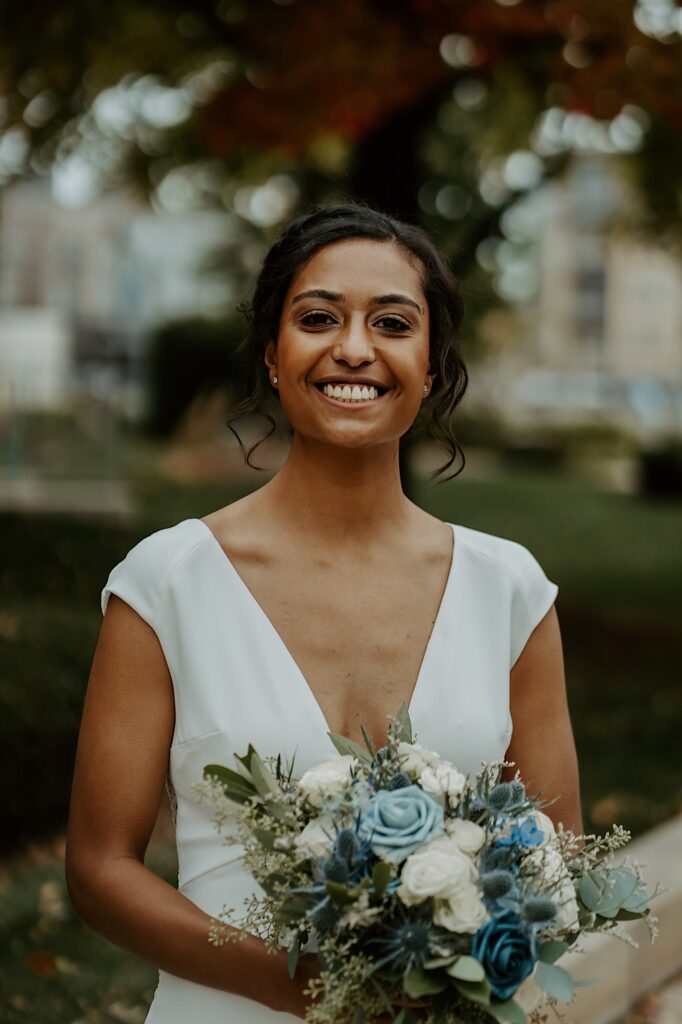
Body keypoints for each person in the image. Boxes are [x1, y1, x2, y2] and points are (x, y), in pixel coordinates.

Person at [65, 203, 582, 1023]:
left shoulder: (510, 588)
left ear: (433, 364)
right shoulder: (166, 581)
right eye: (317, 318)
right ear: (273, 355)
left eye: (392, 323)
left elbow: (557, 863)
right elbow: (98, 870)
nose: (353, 348)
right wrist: (308, 989)